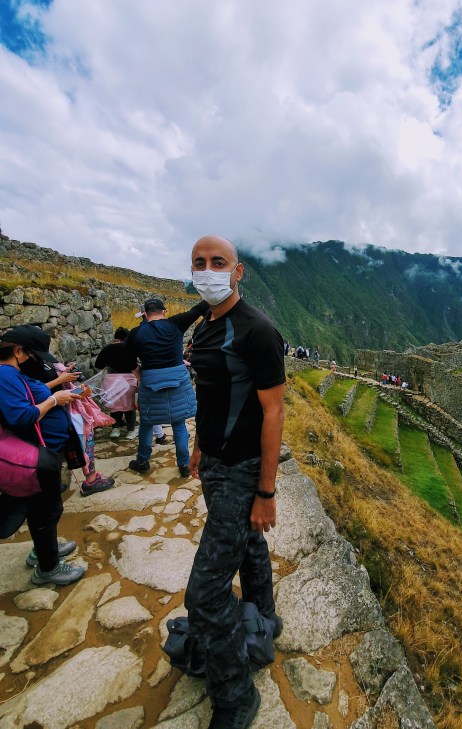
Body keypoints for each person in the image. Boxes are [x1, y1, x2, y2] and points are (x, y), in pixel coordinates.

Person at [185, 235, 286, 729]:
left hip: (243, 470)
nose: (208, 270)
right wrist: (201, 444)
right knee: (247, 544)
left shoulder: (257, 331)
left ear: (238, 271)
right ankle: (265, 614)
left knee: (204, 595)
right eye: (199, 263)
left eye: (217, 263)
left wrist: (264, 492)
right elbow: (210, 391)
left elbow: (274, 411)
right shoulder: (204, 325)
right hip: (216, 462)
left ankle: (235, 697)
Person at [0, 326, 87, 585]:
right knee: (45, 510)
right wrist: (54, 400)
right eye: (33, 354)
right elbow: (21, 416)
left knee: (46, 508)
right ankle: (48, 568)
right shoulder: (5, 375)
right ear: (17, 351)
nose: (37, 360)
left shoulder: (12, 373)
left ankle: (42, 550)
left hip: (43, 448)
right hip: (35, 453)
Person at [16, 326, 116, 496]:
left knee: (79, 446)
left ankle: (63, 482)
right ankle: (87, 480)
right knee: (76, 446)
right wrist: (61, 380)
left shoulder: (40, 362)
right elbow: (33, 394)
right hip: (49, 417)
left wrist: (76, 388)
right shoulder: (18, 372)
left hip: (61, 413)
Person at [126, 298, 208, 477]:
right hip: (177, 377)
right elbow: (199, 308)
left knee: (147, 423)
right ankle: (184, 465)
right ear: (164, 312)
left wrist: (138, 373)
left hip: (150, 378)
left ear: (146, 314)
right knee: (178, 423)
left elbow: (126, 357)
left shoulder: (135, 333)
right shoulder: (176, 323)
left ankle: (142, 461)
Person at [95, 327, 139, 439]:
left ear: (116, 337)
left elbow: (98, 365)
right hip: (129, 381)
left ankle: (115, 430)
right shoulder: (129, 348)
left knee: (114, 406)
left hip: (111, 380)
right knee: (130, 407)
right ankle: (130, 431)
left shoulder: (107, 348)